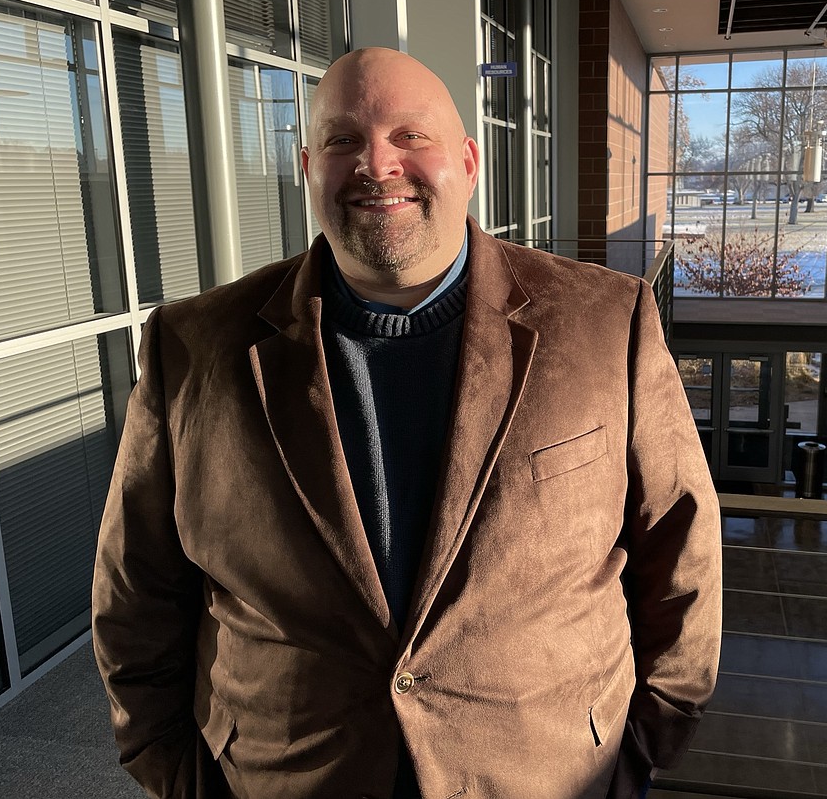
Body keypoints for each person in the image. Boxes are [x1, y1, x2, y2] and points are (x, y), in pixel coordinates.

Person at [92, 47, 722, 799]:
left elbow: (681, 554)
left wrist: (634, 755)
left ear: (468, 159)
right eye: (342, 140)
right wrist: (183, 774)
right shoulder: (192, 348)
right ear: (306, 166)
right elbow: (136, 594)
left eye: (409, 136)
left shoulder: (606, 323)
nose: (376, 164)